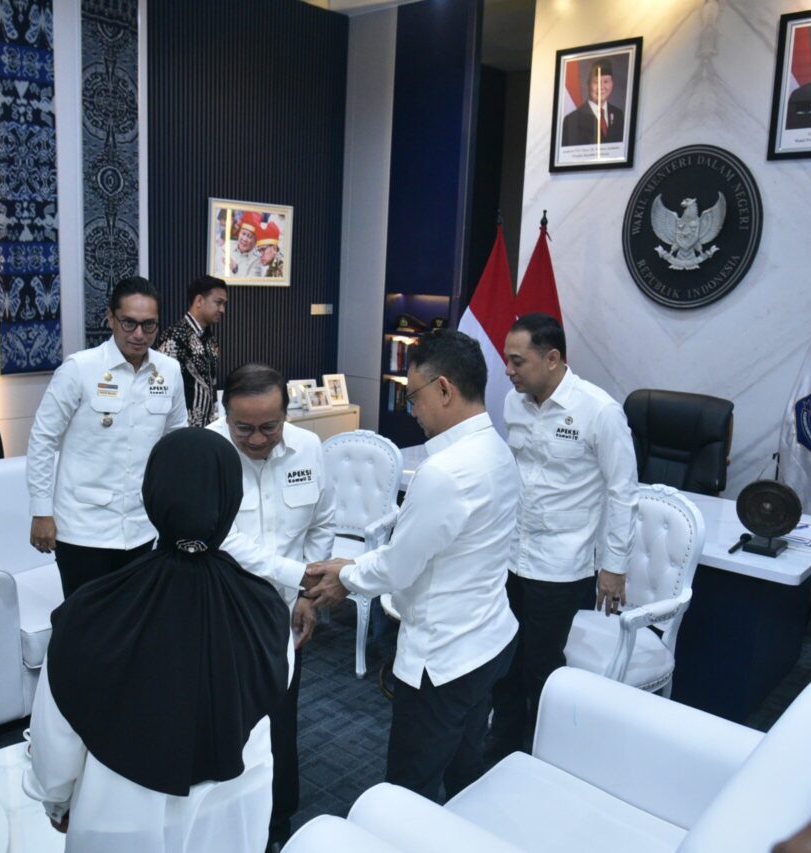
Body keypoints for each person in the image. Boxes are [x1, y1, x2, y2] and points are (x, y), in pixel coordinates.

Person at [23, 428, 290, 852]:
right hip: (234, 812)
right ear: (232, 498)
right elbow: (265, 703)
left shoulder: (89, 614)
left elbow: (56, 739)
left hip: (120, 816)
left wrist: (56, 802)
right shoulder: (268, 610)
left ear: (149, 494)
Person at [306, 330, 519, 803]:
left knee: (410, 787)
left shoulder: (444, 472)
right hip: (488, 639)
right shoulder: (497, 449)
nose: (410, 408)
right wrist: (355, 565)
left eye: (413, 395)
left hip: (442, 658)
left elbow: (399, 567)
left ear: (444, 389)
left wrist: (345, 575)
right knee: (465, 772)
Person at [485, 312, 638, 759]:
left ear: (552, 359)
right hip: (511, 556)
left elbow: (623, 493)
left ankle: (543, 752)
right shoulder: (514, 403)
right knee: (504, 658)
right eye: (507, 360)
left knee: (542, 666)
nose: (508, 371)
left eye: (517, 361)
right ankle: (503, 744)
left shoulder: (599, 411)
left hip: (561, 565)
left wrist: (614, 567)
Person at [208, 363, 335, 848]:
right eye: (244, 428)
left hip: (284, 614)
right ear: (224, 414)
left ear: (286, 414)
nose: (258, 439)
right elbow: (222, 537)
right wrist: (297, 576)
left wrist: (306, 594)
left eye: (269, 426)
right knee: (228, 725)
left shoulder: (309, 448)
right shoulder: (207, 451)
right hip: (225, 614)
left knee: (281, 720)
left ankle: (278, 824)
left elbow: (322, 522)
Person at [26, 276, 187, 598]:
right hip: (82, 527)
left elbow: (176, 441)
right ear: (111, 318)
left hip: (141, 525)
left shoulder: (169, 371)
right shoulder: (80, 368)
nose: (139, 334)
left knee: (133, 616)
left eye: (149, 325)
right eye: (129, 323)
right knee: (84, 618)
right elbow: (43, 439)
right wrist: (41, 512)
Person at [155, 275, 227, 428]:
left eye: (224, 304)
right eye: (218, 302)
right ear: (199, 301)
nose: (222, 309)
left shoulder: (211, 340)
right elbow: (161, 388)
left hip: (207, 427)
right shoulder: (175, 336)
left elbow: (211, 385)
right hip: (180, 428)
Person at [560, 59, 624, 146]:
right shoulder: (572, 119)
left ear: (612, 83)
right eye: (596, 82)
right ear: (588, 85)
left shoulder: (618, 114)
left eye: (606, 82)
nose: (601, 87)